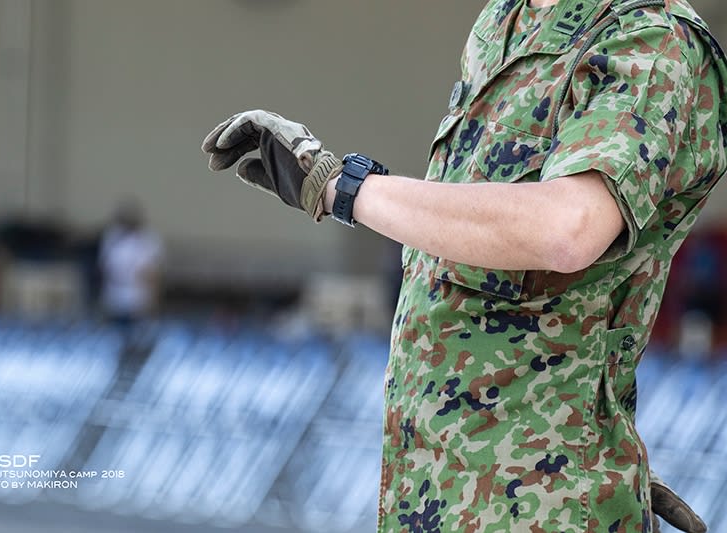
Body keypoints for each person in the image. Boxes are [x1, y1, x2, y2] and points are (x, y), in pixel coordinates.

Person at [202, 0, 727, 531]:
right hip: (440, 483)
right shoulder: (503, 20)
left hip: (545, 498)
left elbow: (567, 230)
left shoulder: (648, 37)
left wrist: (343, 189)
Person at [99, 200, 163, 329]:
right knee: (114, 331)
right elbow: (105, 267)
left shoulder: (148, 238)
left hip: (138, 295)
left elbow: (153, 272)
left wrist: (153, 300)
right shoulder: (112, 237)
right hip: (115, 294)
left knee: (138, 333)